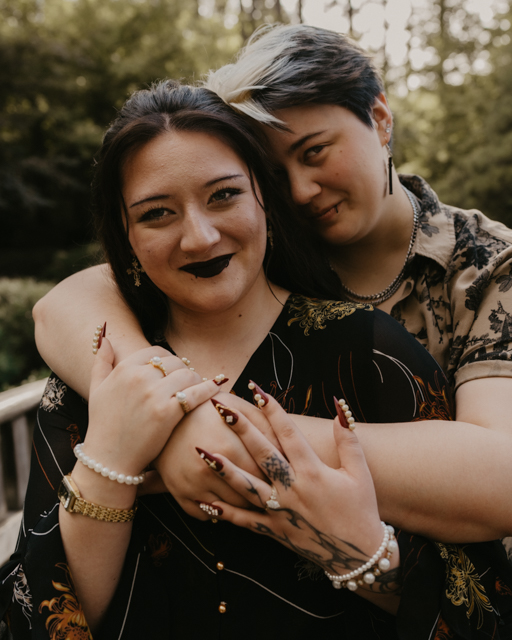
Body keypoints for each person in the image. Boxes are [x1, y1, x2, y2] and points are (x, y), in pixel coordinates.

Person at [2, 80, 511, 639]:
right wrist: (108, 466)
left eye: (224, 195)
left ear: (263, 199)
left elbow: (486, 606)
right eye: (156, 214)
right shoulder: (98, 369)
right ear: (124, 235)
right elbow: (35, 614)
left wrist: (361, 555)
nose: (198, 237)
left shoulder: (374, 354)